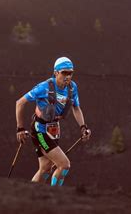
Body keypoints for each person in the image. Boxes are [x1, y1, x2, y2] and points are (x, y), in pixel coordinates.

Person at [15, 57, 91, 186]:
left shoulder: (72, 88)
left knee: (45, 167)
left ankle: (29, 194)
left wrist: (83, 127)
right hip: (40, 129)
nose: (68, 76)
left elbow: (76, 108)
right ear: (56, 72)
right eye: (64, 72)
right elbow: (20, 103)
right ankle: (55, 195)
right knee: (64, 165)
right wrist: (20, 129)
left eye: (70, 73)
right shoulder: (44, 87)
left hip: (54, 128)